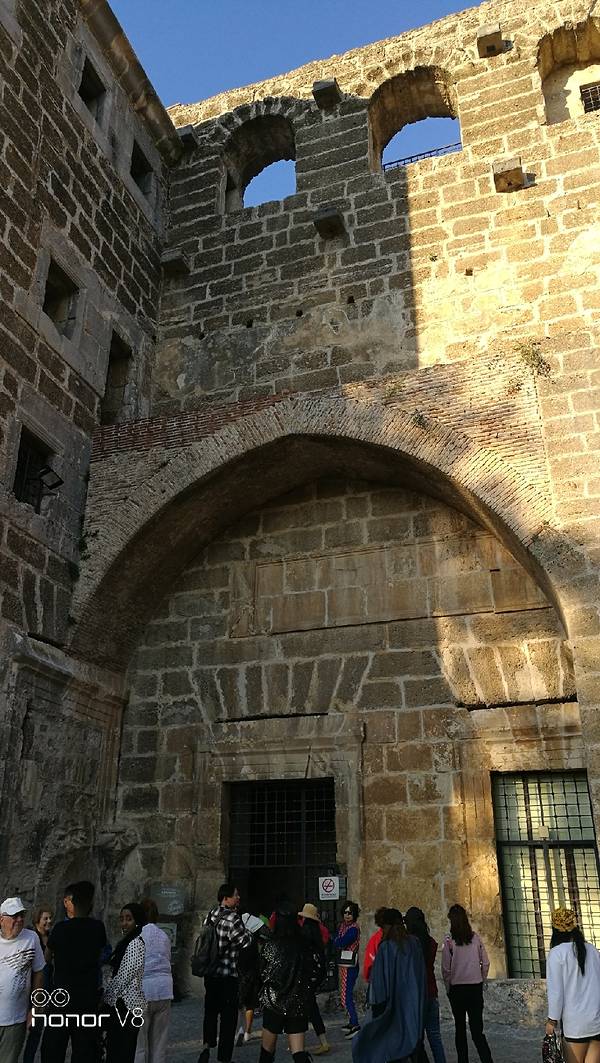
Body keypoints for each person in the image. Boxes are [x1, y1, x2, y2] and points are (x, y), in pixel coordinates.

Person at [41, 880, 107, 1063]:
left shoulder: (60, 929)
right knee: (85, 1050)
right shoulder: (97, 928)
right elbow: (102, 953)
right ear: (90, 904)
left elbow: (47, 957)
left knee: (53, 1048)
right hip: (87, 997)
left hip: (62, 997)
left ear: (72, 903)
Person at [352, 908, 426, 1063]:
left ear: (386, 926)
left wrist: (377, 1009)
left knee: (391, 1046)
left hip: (392, 1007)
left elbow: (379, 985)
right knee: (414, 1044)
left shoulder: (386, 948)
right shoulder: (415, 944)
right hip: (413, 1003)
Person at [258, 903, 326, 1063]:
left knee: (267, 1051)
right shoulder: (304, 945)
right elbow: (316, 971)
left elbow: (262, 972)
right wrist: (308, 989)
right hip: (298, 1001)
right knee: (298, 1053)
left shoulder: (270, 945)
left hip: (273, 1001)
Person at [197, 884, 251, 1063]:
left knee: (210, 1012)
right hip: (228, 975)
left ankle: (206, 1046)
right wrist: (249, 932)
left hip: (210, 973)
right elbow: (244, 942)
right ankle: (224, 1058)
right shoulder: (233, 918)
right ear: (226, 898)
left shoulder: (211, 915)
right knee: (228, 1018)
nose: (238, 898)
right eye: (236, 895)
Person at [546, 906, 600, 1063]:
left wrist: (552, 1020)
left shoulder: (556, 954)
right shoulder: (592, 950)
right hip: (596, 1021)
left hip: (575, 1025)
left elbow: (556, 993)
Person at [441, 904, 493, 1063]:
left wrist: (448, 988)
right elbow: (486, 963)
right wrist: (481, 979)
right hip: (475, 988)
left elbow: (446, 969)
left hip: (457, 989)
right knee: (477, 1031)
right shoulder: (475, 938)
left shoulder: (449, 941)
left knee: (460, 1030)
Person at [0, 897, 45, 1063]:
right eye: (14, 916)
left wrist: (35, 1008)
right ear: (1, 919)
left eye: (21, 915)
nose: (19, 919)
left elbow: (39, 972)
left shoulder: (31, 938)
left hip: (15, 1020)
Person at [104, 902, 146, 1063]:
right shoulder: (127, 941)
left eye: (129, 919)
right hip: (122, 1004)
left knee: (122, 1050)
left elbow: (124, 976)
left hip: (127, 1005)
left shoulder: (136, 942)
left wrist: (106, 999)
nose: (124, 923)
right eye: (121, 919)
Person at [405, 907, 446, 1063]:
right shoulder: (431, 943)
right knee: (435, 1037)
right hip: (431, 991)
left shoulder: (410, 943)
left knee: (417, 1038)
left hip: (417, 995)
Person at [134, 898, 173, 1063]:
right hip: (164, 989)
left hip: (143, 990)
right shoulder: (164, 935)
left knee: (139, 1045)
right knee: (159, 1044)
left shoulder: (136, 935)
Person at [23, 905, 53, 1063]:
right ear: (37, 920)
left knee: (37, 1031)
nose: (49, 921)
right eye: (45, 918)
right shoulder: (30, 938)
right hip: (31, 989)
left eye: (50, 918)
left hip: (46, 991)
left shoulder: (51, 938)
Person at [298, 903, 330, 1055]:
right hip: (316, 974)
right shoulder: (317, 931)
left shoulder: (304, 932)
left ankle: (300, 1044)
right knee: (311, 1007)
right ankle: (321, 1042)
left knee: (307, 1009)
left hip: (306, 975)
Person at [236, 913, 268, 1045]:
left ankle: (239, 1029)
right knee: (250, 1003)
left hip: (237, 968)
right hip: (252, 969)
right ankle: (247, 1032)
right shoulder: (255, 927)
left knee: (238, 1003)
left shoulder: (235, 926)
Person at [333, 901, 361, 1038]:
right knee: (344, 994)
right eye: (345, 912)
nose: (347, 915)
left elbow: (341, 942)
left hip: (350, 966)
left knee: (346, 996)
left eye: (350, 913)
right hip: (344, 964)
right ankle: (351, 1021)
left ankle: (355, 1024)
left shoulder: (353, 929)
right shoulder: (343, 926)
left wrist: (337, 941)